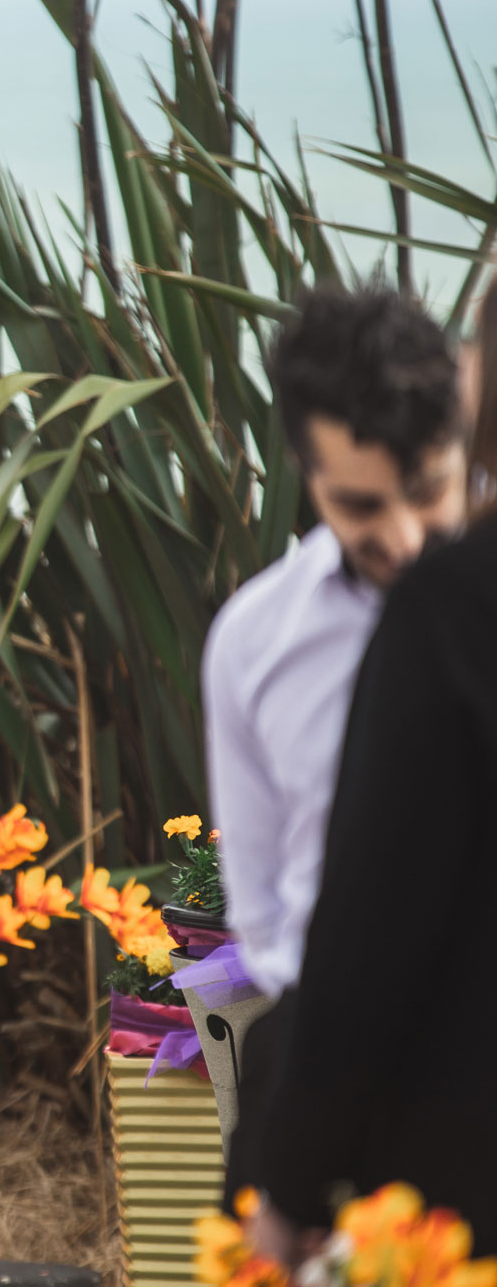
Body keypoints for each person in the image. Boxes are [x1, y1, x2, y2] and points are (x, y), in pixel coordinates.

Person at [249, 283, 497, 1259]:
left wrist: (290, 1176)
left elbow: (375, 919)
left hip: (451, 1160)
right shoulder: (256, 640)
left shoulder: (455, 603)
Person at [204, 286, 467, 1004]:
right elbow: (258, 905)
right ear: (303, 468)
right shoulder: (253, 641)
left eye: (427, 490)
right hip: (334, 1044)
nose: (406, 538)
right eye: (362, 504)